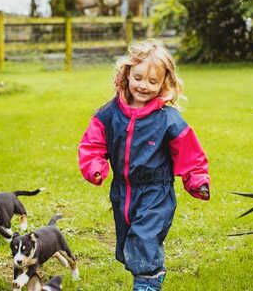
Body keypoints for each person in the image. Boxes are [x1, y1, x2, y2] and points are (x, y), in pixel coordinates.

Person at [78, 39, 210, 291]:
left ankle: (147, 283)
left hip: (155, 192)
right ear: (126, 74)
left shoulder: (168, 119)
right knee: (129, 244)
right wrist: (95, 166)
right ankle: (151, 273)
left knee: (144, 239)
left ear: (163, 83)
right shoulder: (108, 113)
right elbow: (93, 144)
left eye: (152, 81)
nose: (144, 85)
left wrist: (197, 180)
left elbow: (190, 153)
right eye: (138, 77)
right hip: (123, 192)